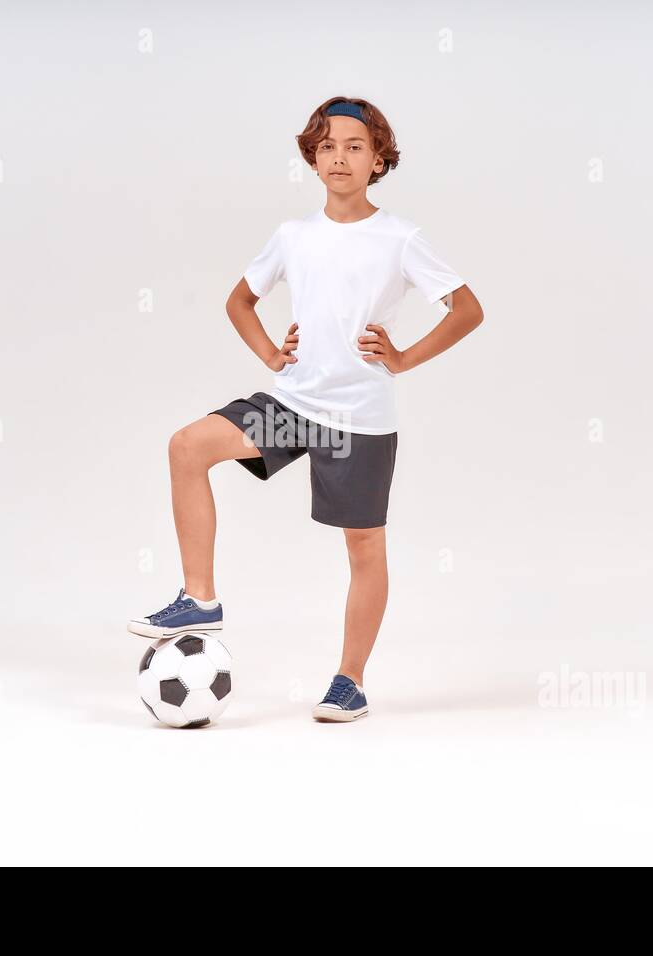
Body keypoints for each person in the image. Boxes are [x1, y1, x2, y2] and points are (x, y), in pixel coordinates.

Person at [127, 96, 484, 723]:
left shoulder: (400, 238)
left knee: (364, 547)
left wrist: (401, 359)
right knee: (188, 446)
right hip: (293, 405)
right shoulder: (292, 236)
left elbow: (466, 309)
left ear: (378, 159)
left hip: (358, 421)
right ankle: (199, 597)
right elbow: (239, 301)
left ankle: (350, 681)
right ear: (312, 159)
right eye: (326, 147)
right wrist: (271, 353)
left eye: (353, 146)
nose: (339, 157)